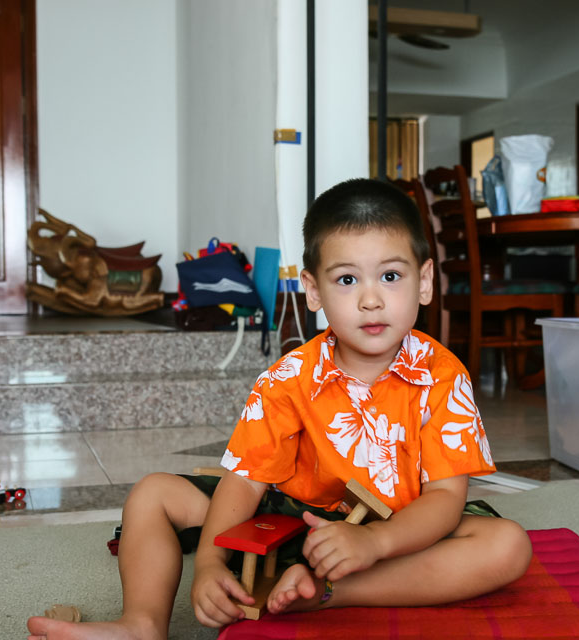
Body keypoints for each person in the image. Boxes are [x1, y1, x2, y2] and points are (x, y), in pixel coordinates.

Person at [26, 178, 532, 640]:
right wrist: (211, 564)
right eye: (347, 280)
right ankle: (142, 623)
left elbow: (444, 498)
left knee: (507, 545)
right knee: (153, 493)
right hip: (290, 526)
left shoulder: (443, 375)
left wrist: (374, 543)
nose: (371, 300)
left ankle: (325, 592)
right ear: (313, 290)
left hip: (402, 531)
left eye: (391, 276)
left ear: (424, 281)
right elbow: (245, 481)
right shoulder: (288, 377)